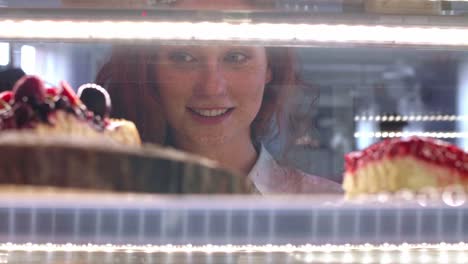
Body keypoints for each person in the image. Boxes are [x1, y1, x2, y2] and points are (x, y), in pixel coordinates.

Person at [96, 0, 342, 194]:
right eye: (184, 57)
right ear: (151, 71)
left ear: (270, 68)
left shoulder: (329, 207)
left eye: (236, 57)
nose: (211, 87)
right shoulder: (105, 204)